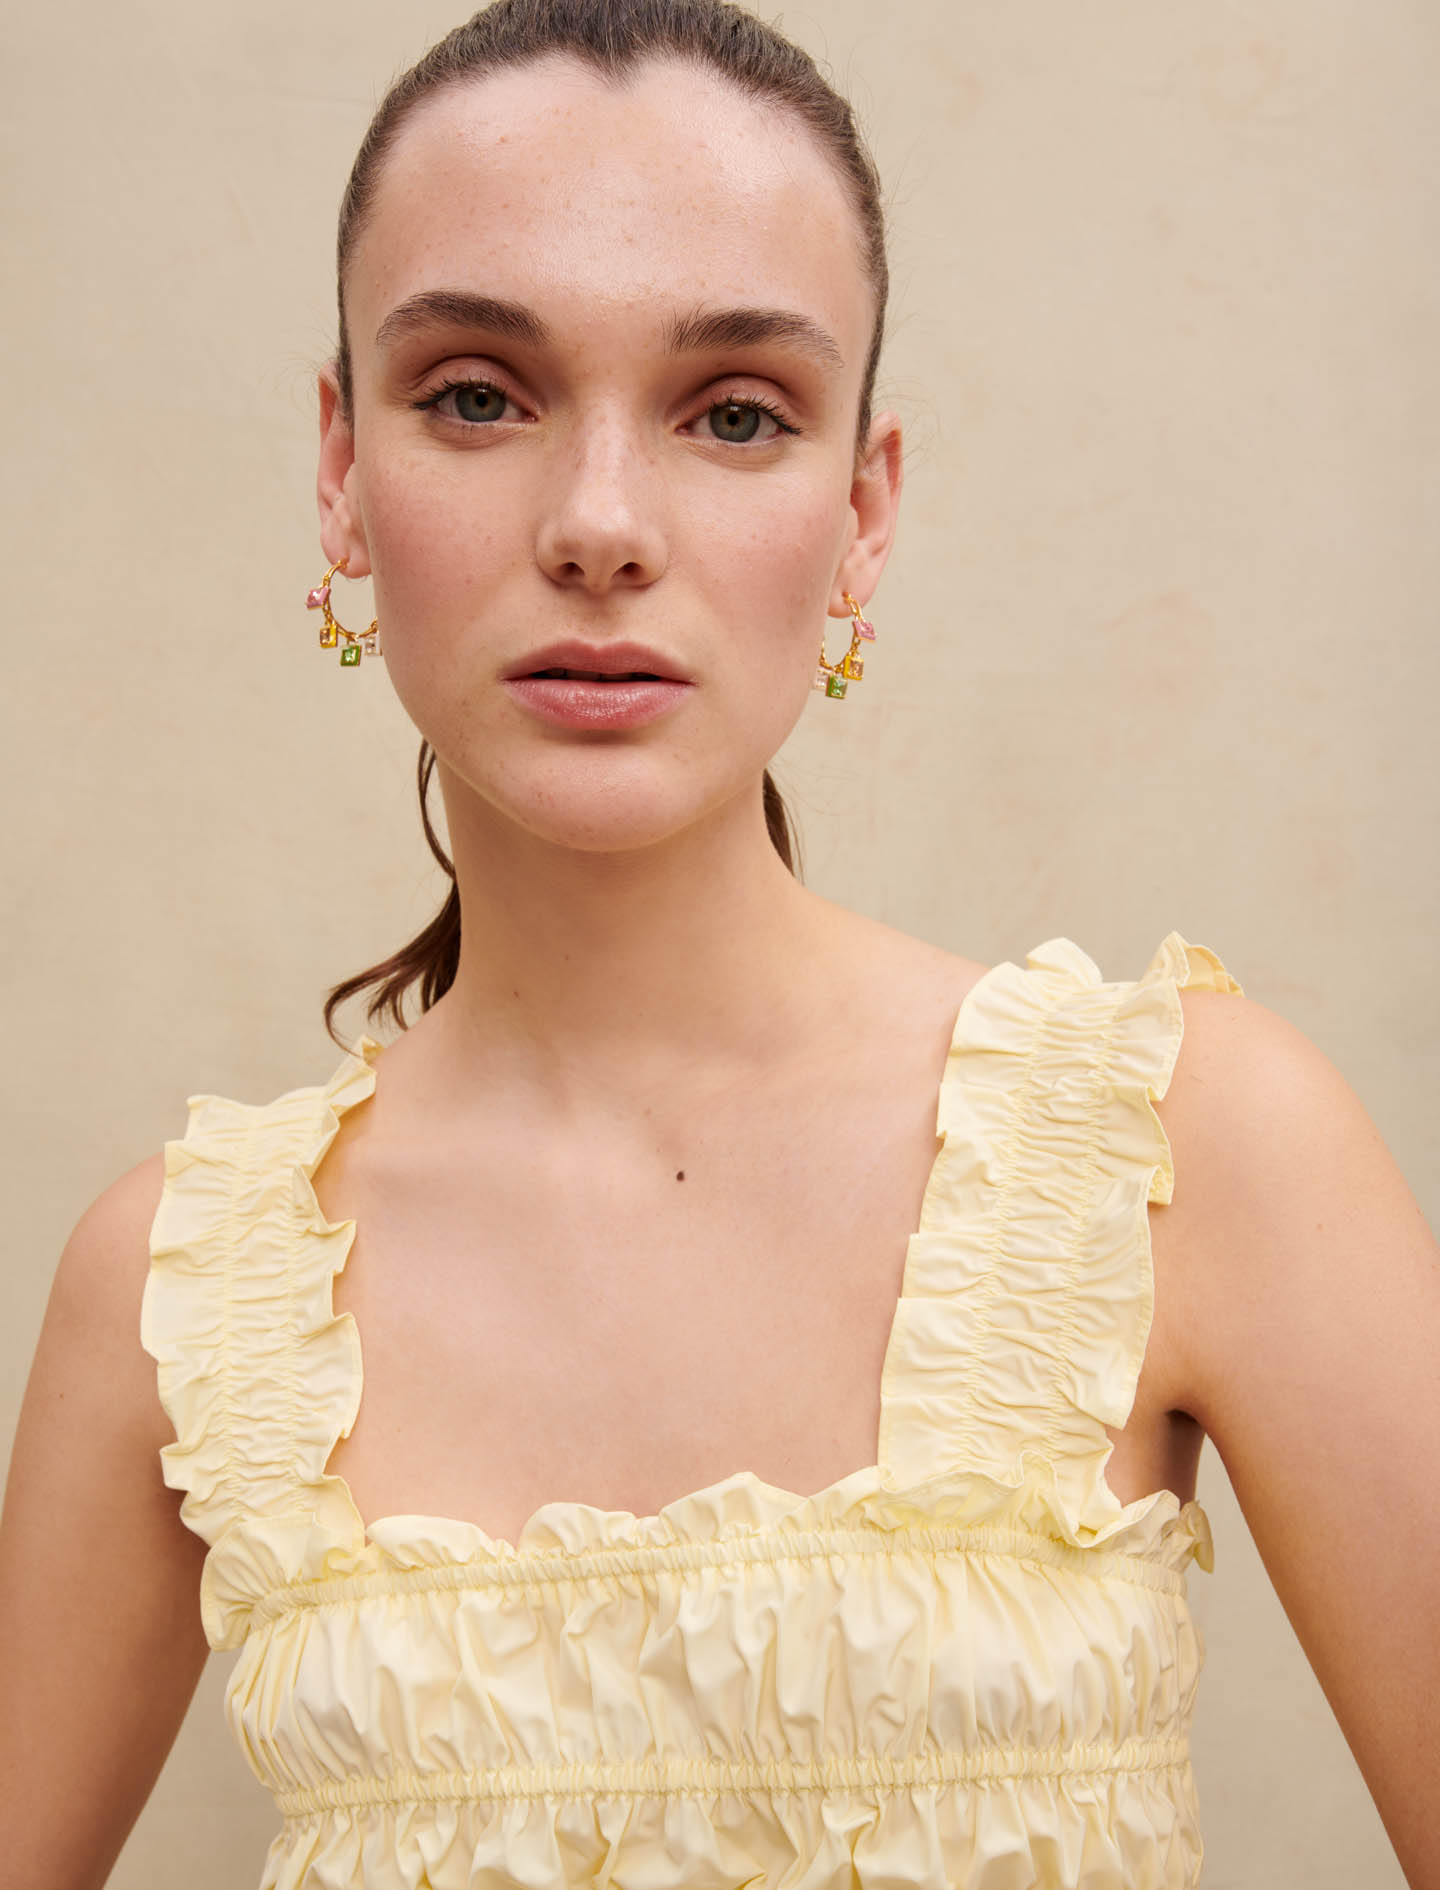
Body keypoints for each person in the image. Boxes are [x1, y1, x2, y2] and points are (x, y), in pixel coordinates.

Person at [1, 1, 1436, 1885]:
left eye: (735, 414)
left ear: (864, 509)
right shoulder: (177, 1293)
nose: (600, 527)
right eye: (478, 396)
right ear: (341, 469)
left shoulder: (1185, 1152)